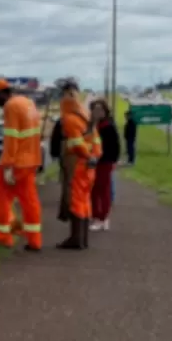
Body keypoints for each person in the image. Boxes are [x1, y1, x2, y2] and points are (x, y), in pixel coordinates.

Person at [0, 78, 43, 251]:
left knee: (0, 200)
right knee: (29, 201)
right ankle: (34, 241)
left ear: (2, 93)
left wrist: (8, 166)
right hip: (31, 160)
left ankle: (3, 238)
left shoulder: (11, 106)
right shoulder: (28, 103)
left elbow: (11, 139)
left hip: (16, 163)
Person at [56, 79, 101, 250]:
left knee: (75, 201)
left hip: (77, 165)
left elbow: (76, 143)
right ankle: (83, 239)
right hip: (89, 166)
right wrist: (94, 156)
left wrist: (87, 156)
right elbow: (96, 140)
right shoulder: (85, 115)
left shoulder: (69, 119)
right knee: (85, 201)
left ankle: (76, 239)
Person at [90, 99, 120, 231]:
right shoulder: (92, 126)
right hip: (93, 161)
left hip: (104, 162)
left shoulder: (108, 126)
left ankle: (101, 217)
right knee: (95, 191)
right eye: (95, 110)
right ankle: (99, 216)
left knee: (103, 190)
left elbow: (115, 146)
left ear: (105, 111)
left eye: (100, 110)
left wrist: (112, 160)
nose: (98, 112)